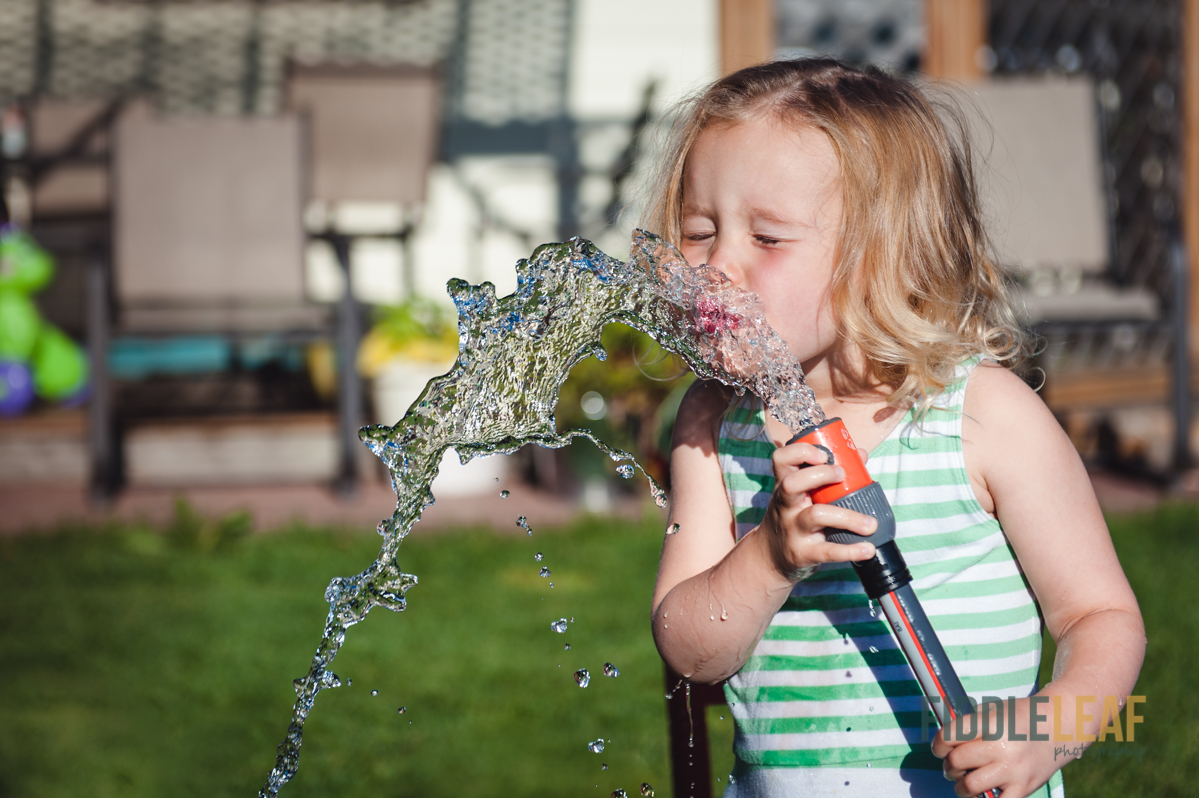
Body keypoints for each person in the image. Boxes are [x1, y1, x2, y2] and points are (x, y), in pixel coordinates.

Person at [647, 58, 1145, 798]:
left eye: (768, 238)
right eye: (697, 231)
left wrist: (1045, 729)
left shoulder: (981, 415)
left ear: (882, 252)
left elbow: (1099, 615)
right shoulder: (713, 425)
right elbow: (691, 653)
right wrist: (770, 557)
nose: (717, 264)